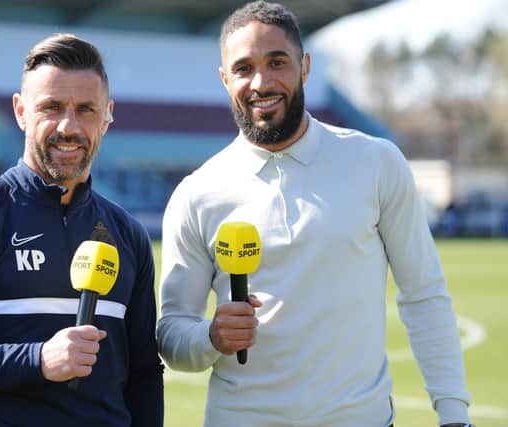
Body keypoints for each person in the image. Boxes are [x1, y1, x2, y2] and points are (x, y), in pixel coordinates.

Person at [156, 2, 473, 427]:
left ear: (305, 67)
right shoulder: (196, 193)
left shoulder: (376, 161)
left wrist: (454, 414)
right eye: (244, 67)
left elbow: (423, 294)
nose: (261, 82)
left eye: (277, 63)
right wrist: (209, 337)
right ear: (224, 79)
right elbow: (172, 332)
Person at [0, 33, 163, 427]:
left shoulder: (128, 235)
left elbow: (143, 370)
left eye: (86, 109)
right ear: (21, 111)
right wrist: (38, 359)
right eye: (51, 107)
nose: (68, 126)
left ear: (107, 115)